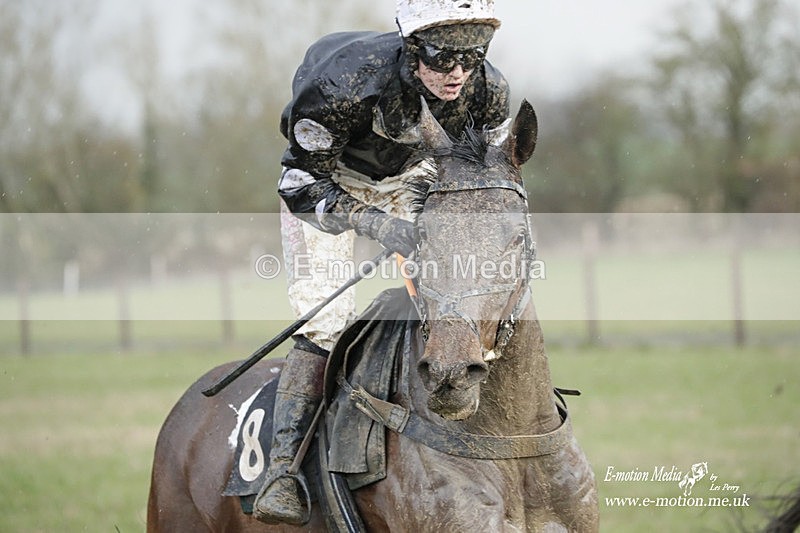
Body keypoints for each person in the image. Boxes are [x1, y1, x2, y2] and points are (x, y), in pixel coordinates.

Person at [253, 0, 511, 525]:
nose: (458, 73)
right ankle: (284, 470)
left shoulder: (489, 91)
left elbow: (482, 181)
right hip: (329, 181)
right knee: (327, 320)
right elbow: (298, 183)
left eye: (472, 56)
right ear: (413, 50)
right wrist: (374, 223)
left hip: (412, 177)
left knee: (453, 299)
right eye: (442, 58)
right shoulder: (342, 83)